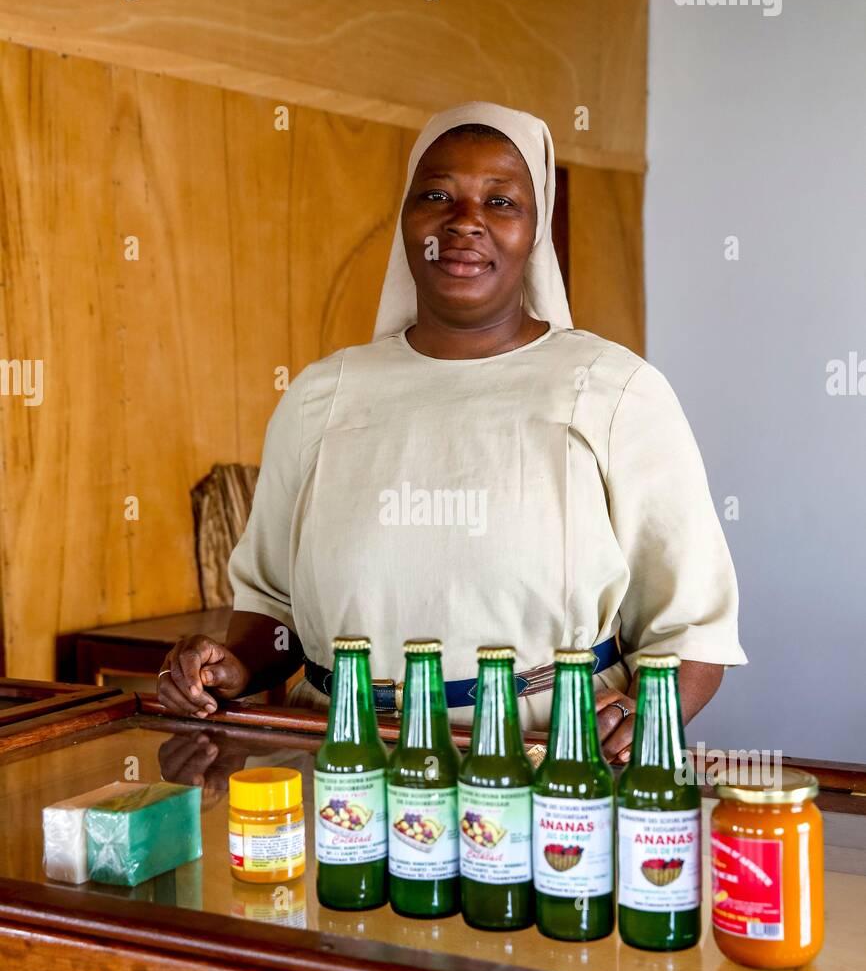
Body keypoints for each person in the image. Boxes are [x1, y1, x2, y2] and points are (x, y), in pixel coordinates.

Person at [158, 101, 746, 761]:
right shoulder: (320, 398)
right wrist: (230, 666)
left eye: (501, 202)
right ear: (407, 220)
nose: (465, 222)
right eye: (437, 194)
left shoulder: (614, 391)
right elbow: (272, 609)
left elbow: (693, 625)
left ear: (535, 230)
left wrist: (647, 715)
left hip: (547, 763)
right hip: (344, 762)